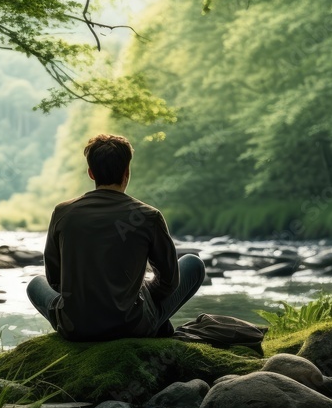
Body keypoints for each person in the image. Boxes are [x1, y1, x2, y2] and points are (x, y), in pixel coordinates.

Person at [26, 133, 206, 341]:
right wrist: (141, 295)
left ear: (91, 173)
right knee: (193, 263)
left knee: (35, 284)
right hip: (131, 326)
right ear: (127, 171)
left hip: (75, 327)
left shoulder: (62, 212)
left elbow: (55, 280)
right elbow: (170, 282)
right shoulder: (148, 216)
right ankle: (155, 325)